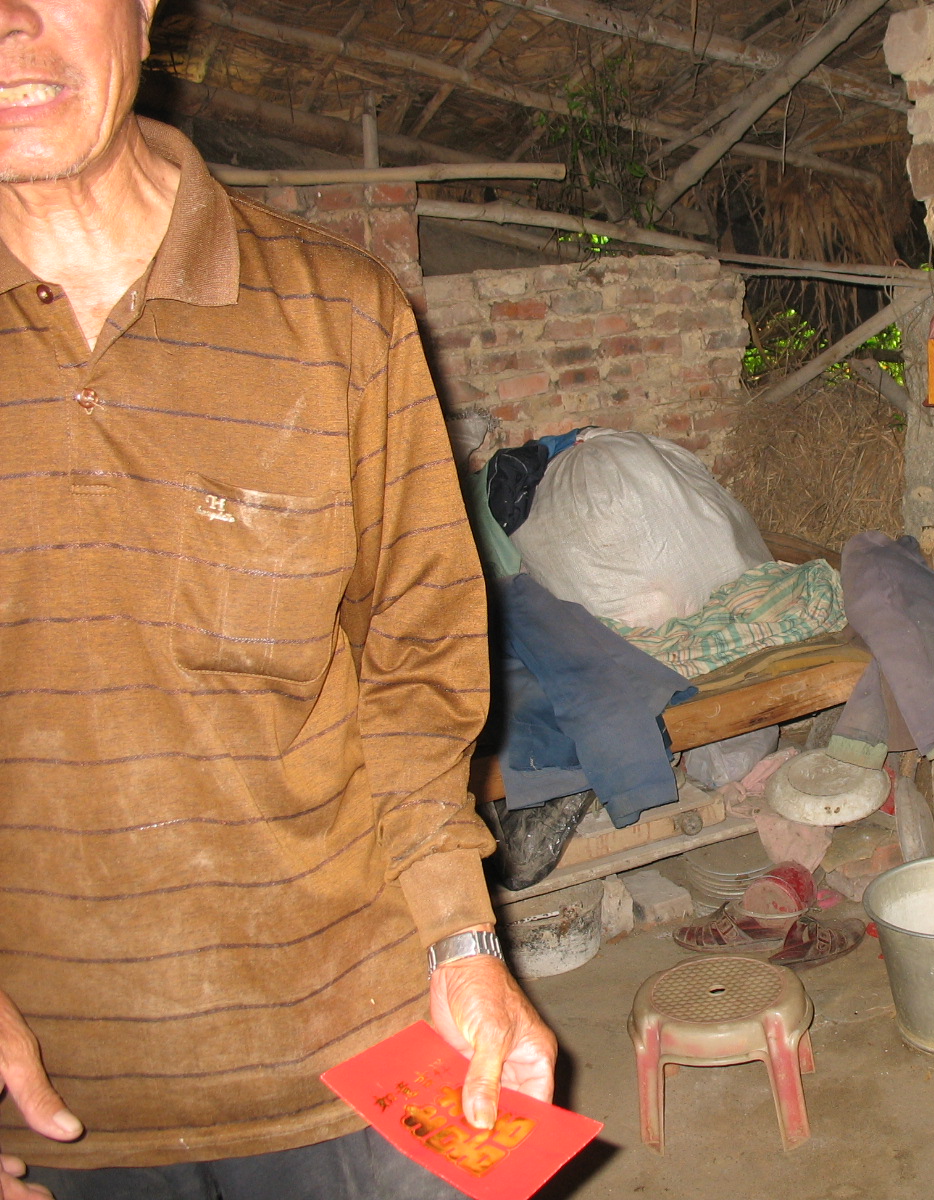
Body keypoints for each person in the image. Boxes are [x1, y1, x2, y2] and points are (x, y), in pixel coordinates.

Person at [0, 1, 556, 1196]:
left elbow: (417, 669)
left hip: (363, 1031)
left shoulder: (339, 315)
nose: (9, 21)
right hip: (52, 1099)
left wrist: (464, 945)